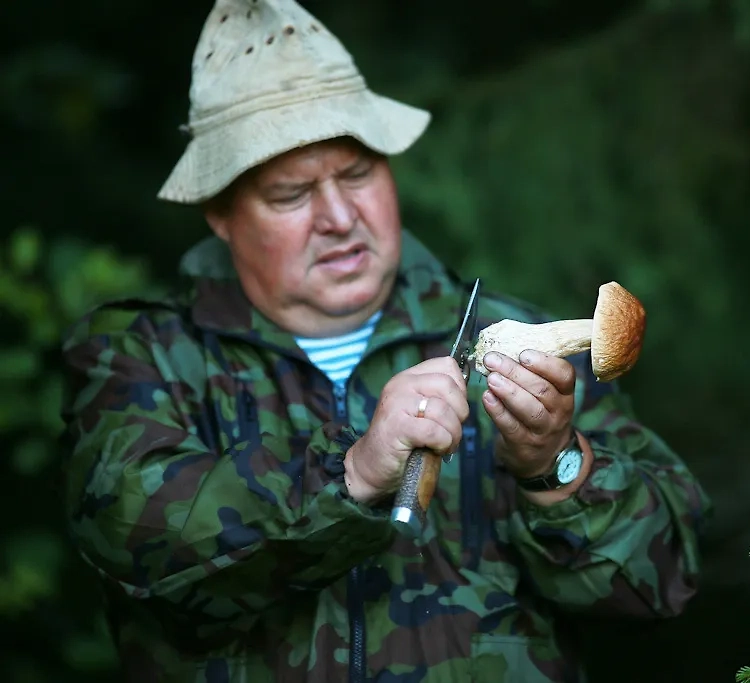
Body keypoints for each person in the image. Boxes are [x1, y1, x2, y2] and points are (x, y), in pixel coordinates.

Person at [58, 0, 712, 681]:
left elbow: (663, 580)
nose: (340, 217)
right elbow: (131, 543)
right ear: (220, 214)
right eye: (291, 195)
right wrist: (353, 471)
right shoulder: (144, 355)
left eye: (357, 174)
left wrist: (554, 466)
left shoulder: (520, 341)